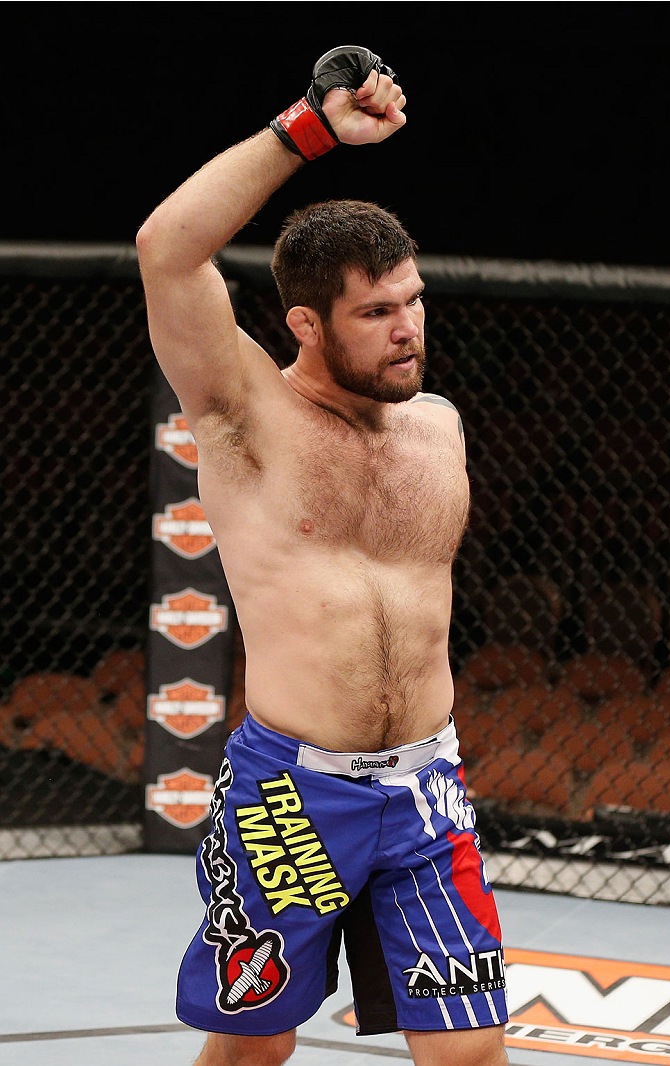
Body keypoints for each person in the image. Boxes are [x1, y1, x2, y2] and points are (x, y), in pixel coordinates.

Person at [137, 46, 508, 1066]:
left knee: (470, 1051)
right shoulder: (246, 420)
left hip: (427, 789)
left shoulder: (438, 427)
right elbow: (168, 247)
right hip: (290, 800)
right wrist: (304, 129)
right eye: (377, 312)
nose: (409, 330)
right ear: (306, 322)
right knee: (252, 1048)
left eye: (414, 300)